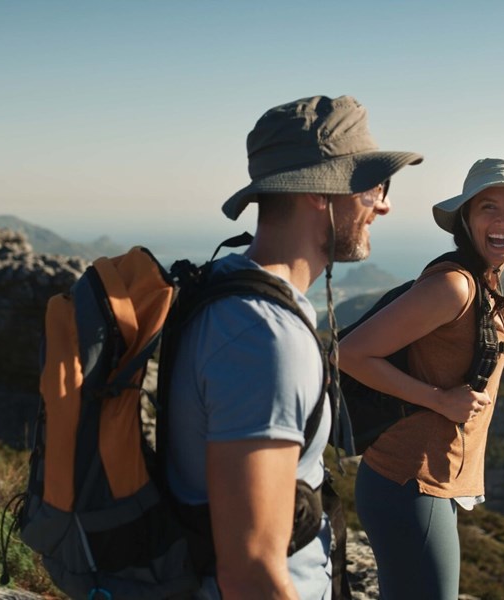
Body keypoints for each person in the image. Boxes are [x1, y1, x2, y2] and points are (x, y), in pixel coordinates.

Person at [165, 95, 423, 600]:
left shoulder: (229, 284)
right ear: (320, 192)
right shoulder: (264, 338)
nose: (385, 204)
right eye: (373, 186)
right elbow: (251, 571)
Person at [338, 158, 504, 599]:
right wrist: (439, 399)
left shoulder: (484, 283)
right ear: (466, 218)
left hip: (423, 485)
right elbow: (348, 353)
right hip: (410, 484)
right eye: (488, 208)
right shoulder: (455, 287)